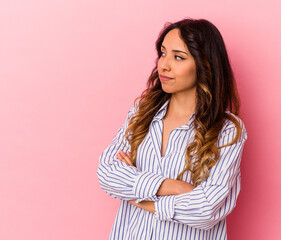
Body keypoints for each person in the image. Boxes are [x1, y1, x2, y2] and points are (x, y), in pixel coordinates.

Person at [97, 18, 248, 240]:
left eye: (178, 57)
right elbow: (107, 173)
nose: (164, 65)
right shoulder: (143, 112)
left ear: (205, 64)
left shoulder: (227, 130)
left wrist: (135, 193)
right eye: (163, 52)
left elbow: (207, 209)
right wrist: (173, 187)